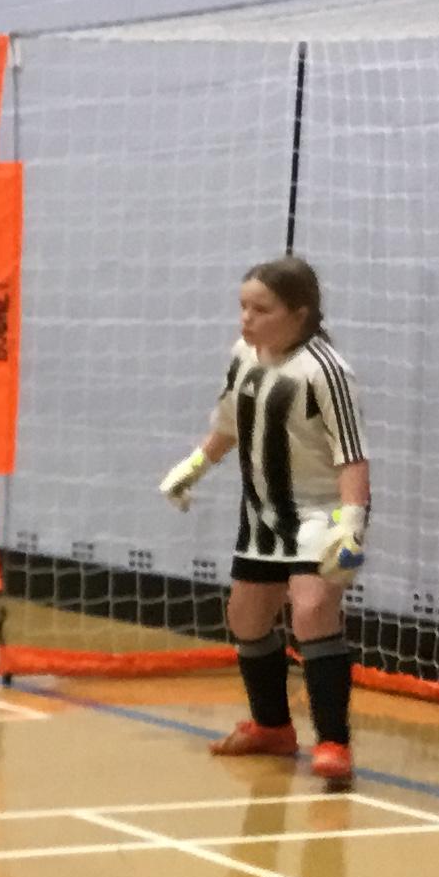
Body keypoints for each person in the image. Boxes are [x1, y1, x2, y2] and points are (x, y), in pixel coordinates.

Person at [161, 254, 371, 786]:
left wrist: (351, 524)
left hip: (320, 513)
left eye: (261, 310)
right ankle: (272, 726)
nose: (246, 319)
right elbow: (229, 424)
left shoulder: (325, 370)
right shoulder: (242, 357)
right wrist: (194, 467)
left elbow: (352, 456)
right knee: (247, 620)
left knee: (312, 611)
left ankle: (333, 742)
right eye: (243, 307)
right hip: (262, 514)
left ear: (299, 314)